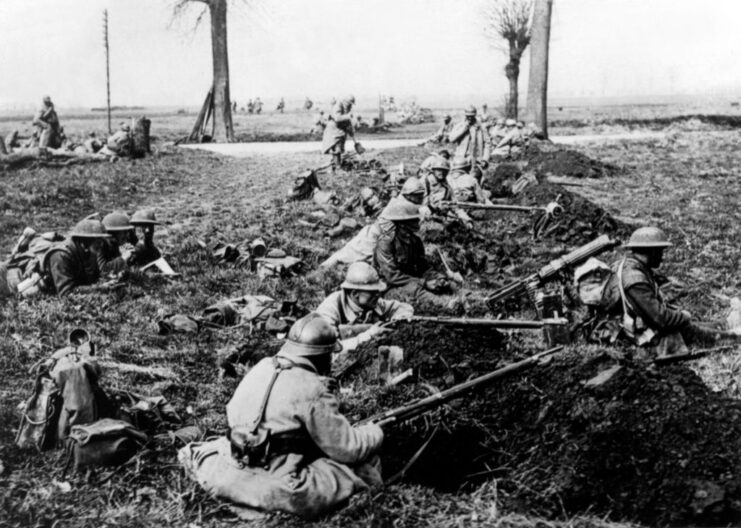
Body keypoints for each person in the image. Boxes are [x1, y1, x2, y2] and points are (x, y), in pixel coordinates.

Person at [178, 313, 384, 519]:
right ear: (322, 356)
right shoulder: (313, 388)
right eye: (330, 355)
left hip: (228, 465)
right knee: (361, 469)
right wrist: (375, 431)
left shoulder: (263, 365)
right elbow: (349, 449)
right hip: (274, 481)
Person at [601, 227, 737, 356]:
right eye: (660, 251)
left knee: (686, 323)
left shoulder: (630, 265)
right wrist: (684, 316)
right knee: (686, 328)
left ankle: (725, 325)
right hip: (637, 337)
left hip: (636, 326)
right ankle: (734, 336)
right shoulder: (635, 280)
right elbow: (661, 319)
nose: (662, 257)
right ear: (652, 252)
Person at [320, 182, 424, 268]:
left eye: (421, 195)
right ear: (408, 195)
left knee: (364, 260)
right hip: (374, 235)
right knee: (347, 254)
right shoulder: (400, 204)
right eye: (417, 196)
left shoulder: (405, 203)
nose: (420, 199)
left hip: (383, 236)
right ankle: (324, 267)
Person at [316, 262, 413, 352]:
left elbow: (404, 308)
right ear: (355, 294)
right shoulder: (329, 311)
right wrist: (368, 335)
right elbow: (328, 351)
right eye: (372, 292)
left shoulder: (372, 303)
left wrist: (395, 322)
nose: (378, 294)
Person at [373, 198, 452, 305]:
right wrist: (424, 283)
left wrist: (437, 277)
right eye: (413, 220)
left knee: (445, 283)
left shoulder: (415, 241)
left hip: (410, 279)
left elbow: (423, 267)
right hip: (390, 286)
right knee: (415, 290)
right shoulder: (385, 244)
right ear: (402, 224)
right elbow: (392, 277)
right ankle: (446, 304)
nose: (418, 222)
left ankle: (460, 297)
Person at [43, 219, 111, 296]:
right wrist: (99, 288)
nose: (101, 245)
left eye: (102, 241)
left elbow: (93, 280)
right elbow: (66, 292)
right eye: (98, 241)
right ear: (85, 240)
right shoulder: (61, 255)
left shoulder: (88, 251)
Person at [321, 95, 356, 172]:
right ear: (345, 101)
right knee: (336, 148)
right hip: (334, 129)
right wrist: (348, 116)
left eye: (351, 103)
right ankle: (337, 167)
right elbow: (337, 118)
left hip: (341, 130)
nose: (350, 105)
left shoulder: (348, 107)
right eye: (349, 103)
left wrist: (351, 131)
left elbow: (348, 121)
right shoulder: (338, 105)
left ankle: (336, 165)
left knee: (340, 148)